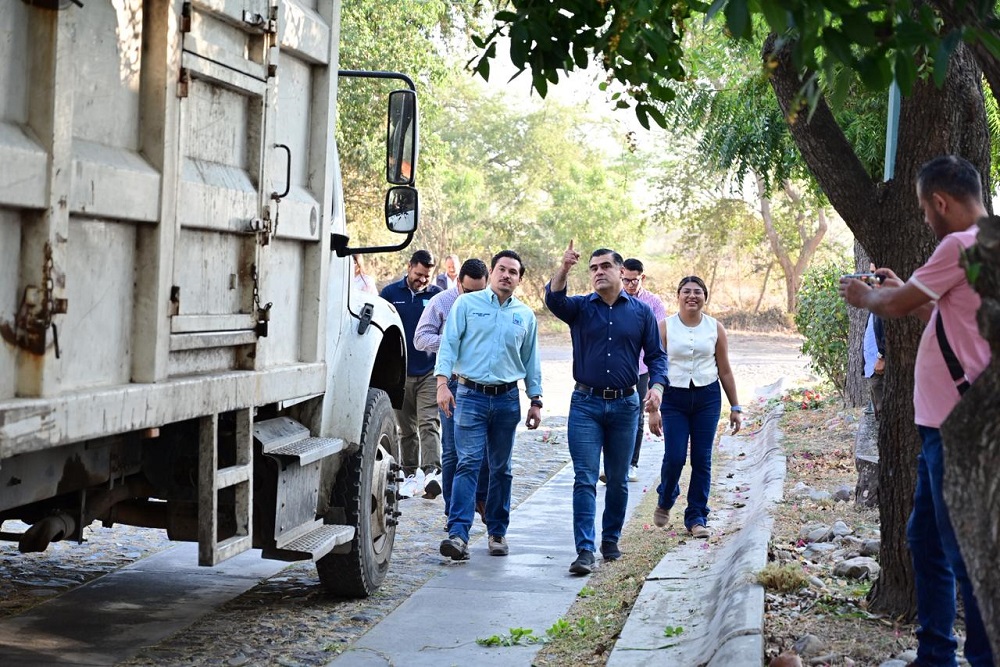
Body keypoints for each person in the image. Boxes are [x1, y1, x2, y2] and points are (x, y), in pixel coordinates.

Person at [839, 155, 993, 667]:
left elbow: (900, 306)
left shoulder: (959, 243)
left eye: (925, 209)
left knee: (962, 551)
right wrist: (902, 287)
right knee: (924, 539)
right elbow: (945, 315)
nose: (925, 219)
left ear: (941, 202)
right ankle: (935, 653)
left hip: (954, 428)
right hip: (944, 426)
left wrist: (866, 296)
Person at [545, 243, 667, 575]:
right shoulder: (580, 308)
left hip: (626, 405)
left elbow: (657, 357)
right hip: (586, 405)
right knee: (585, 478)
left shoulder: (641, 312)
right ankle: (584, 550)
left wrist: (657, 388)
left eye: (605, 266)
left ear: (620, 271)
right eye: (593, 267)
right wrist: (564, 268)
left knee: (617, 479)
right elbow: (553, 299)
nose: (598, 271)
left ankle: (610, 540)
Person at [434, 250, 543, 561]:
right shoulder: (466, 305)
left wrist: (535, 400)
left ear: (519, 279)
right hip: (470, 395)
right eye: (501, 269)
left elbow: (531, 360)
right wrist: (442, 384)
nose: (506, 275)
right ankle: (458, 534)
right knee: (467, 463)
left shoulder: (525, 315)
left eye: (513, 272)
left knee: (501, 469)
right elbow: (448, 344)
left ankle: (497, 531)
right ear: (492, 272)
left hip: (507, 400)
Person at [655, 275, 742, 539]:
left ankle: (696, 517)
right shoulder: (664, 327)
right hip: (673, 398)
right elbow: (656, 367)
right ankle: (666, 496)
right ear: (678, 296)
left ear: (705, 297)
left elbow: (725, 370)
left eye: (698, 292)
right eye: (686, 291)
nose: (692, 296)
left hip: (707, 398)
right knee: (675, 457)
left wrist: (735, 406)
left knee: (702, 459)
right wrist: (653, 407)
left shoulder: (715, 328)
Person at [414, 258, 490, 521]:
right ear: (458, 283)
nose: (473, 298)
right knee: (452, 450)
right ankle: (453, 512)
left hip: (484, 385)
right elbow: (420, 338)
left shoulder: (493, 302)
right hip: (453, 384)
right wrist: (453, 342)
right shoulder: (441, 302)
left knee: (485, 449)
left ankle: (481, 501)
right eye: (468, 292)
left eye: (479, 292)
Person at [379, 250, 443, 498]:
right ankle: (407, 475)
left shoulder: (437, 296)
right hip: (400, 374)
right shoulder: (390, 294)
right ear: (409, 267)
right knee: (406, 429)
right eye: (419, 274)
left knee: (428, 422)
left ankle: (431, 473)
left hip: (429, 371)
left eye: (427, 276)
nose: (422, 280)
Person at [622, 257, 668, 481]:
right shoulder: (613, 298)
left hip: (641, 367)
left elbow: (657, 338)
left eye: (635, 280)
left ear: (643, 278)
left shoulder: (654, 303)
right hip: (618, 367)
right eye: (626, 280)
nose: (630, 284)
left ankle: (632, 463)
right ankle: (614, 463)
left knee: (637, 415)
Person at [862, 312, 886, 417]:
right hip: (872, 367)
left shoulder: (881, 305)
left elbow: (887, 330)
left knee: (885, 412)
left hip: (880, 366)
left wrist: (882, 356)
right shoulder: (872, 308)